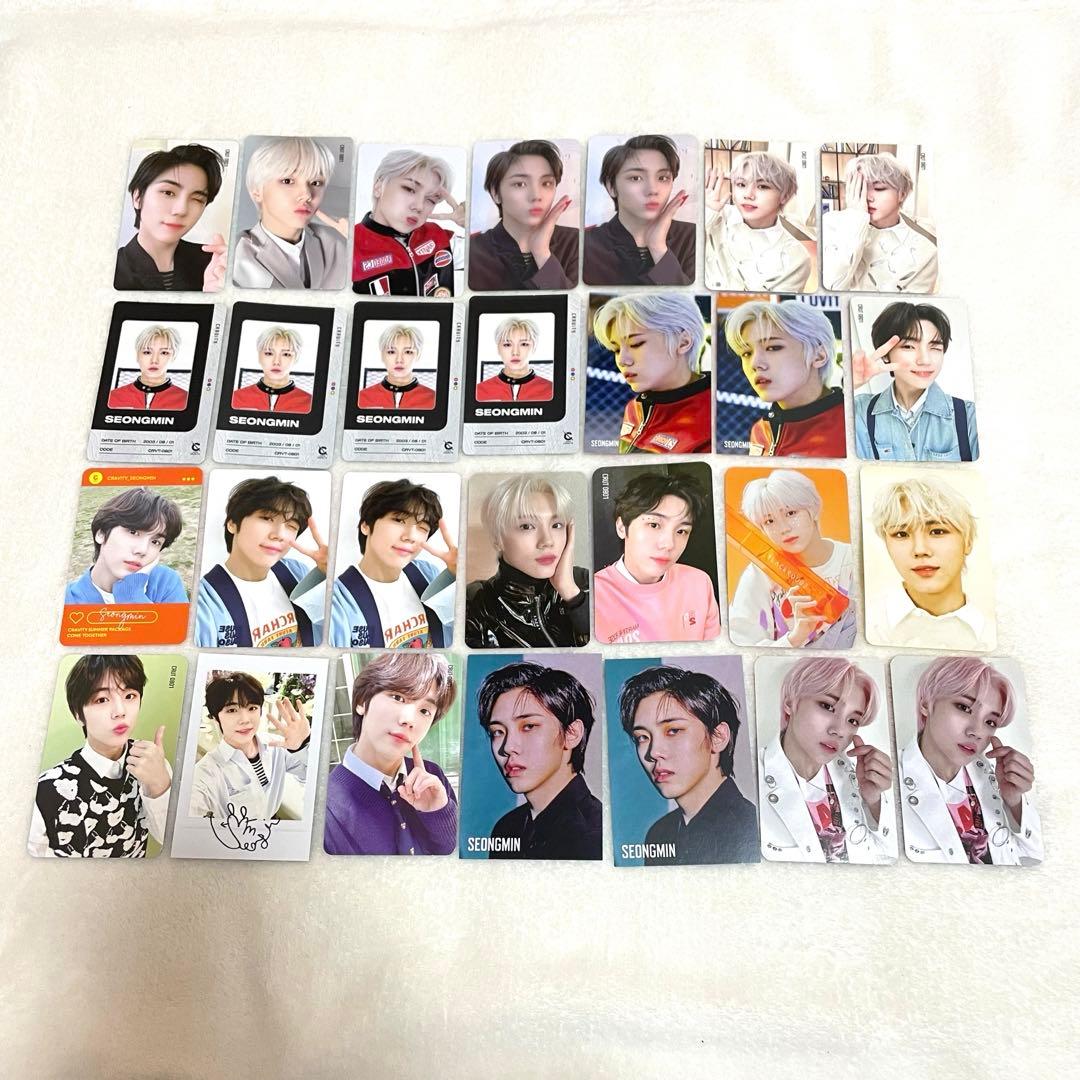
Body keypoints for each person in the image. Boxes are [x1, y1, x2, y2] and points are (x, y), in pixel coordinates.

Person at [899, 657, 1041, 865]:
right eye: (964, 708)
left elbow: (1033, 860)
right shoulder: (888, 776)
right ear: (926, 704)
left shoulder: (995, 776)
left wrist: (1015, 802)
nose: (976, 731)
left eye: (990, 721)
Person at [29, 655, 172, 857]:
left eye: (129, 696)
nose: (120, 711)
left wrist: (160, 786)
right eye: (102, 699)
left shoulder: (151, 762)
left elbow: (170, 839)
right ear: (78, 714)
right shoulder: (45, 791)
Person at [618, 665, 759, 864]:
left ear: (718, 737)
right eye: (642, 737)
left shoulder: (751, 828)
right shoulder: (659, 834)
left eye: (673, 731)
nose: (653, 752)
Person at [759, 658, 895, 863]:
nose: (839, 730)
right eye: (827, 706)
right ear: (790, 703)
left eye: (853, 720)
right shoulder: (752, 777)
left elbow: (887, 860)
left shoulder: (856, 776)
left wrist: (874, 801)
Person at [324, 653, 459, 856]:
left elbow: (452, 852)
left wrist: (438, 813)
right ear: (362, 701)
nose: (409, 719)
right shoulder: (327, 809)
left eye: (425, 711)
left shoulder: (432, 777)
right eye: (398, 697)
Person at [477, 661, 602, 860]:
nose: (507, 747)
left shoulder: (593, 835)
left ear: (571, 733)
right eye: (498, 732)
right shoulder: (507, 828)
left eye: (528, 726)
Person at [195, 475, 326, 648]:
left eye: (291, 525)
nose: (279, 534)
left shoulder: (298, 573)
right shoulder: (203, 602)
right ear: (232, 524)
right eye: (266, 518)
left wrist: (328, 575)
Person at [729, 469, 855, 648]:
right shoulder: (760, 574)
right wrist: (795, 638)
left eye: (791, 513)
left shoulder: (852, 560)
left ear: (813, 509)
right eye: (769, 521)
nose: (784, 528)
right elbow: (743, 645)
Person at [867, 475, 992, 649]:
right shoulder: (868, 623)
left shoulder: (990, 633)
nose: (920, 550)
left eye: (937, 531)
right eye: (901, 534)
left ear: (968, 541)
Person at [329, 478, 457, 649]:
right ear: (366, 525)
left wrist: (457, 576)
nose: (410, 536)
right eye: (399, 520)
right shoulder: (337, 601)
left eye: (422, 527)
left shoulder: (428, 575)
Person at [593, 472, 720, 644]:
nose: (668, 544)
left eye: (681, 531)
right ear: (622, 527)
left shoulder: (699, 582)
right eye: (654, 525)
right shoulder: (594, 596)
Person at [465, 475, 590, 648]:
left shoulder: (586, 582)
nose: (547, 541)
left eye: (556, 525)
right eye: (527, 526)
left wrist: (572, 595)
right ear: (497, 538)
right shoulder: (476, 602)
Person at [853, 301, 978, 461]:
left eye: (935, 348)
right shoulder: (860, 411)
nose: (925, 360)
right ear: (885, 354)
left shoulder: (969, 416)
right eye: (909, 347)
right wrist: (851, 383)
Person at [723, 299, 845, 457]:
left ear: (819, 355)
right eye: (746, 353)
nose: (755, 363)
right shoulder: (760, 430)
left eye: (773, 347)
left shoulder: (853, 423)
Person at [592, 292, 711, 453]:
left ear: (683, 342)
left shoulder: (711, 423)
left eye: (636, 344)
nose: (622, 360)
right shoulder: (634, 409)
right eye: (616, 349)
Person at [189, 671, 311, 821]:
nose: (245, 720)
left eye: (252, 708)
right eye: (232, 710)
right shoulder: (206, 772)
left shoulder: (276, 746)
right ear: (215, 718)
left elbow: (311, 775)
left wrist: (302, 745)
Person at [232, 136, 349, 290]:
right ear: (257, 191)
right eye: (288, 181)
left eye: (316, 183)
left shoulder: (338, 243)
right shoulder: (234, 254)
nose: (307, 195)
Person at [114, 142, 227, 292]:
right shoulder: (111, 270)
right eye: (168, 193)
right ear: (138, 197)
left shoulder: (213, 264)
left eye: (197, 199)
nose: (181, 210)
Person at [583, 134, 694, 286]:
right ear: (611, 186)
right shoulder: (587, 244)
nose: (653, 190)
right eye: (636, 178)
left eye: (663, 178)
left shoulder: (692, 237)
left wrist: (659, 249)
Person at [469, 139, 578, 290]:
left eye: (546, 183)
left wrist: (542, 253)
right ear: (496, 193)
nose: (536, 196)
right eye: (520, 184)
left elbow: (576, 304)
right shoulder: (473, 251)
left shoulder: (576, 243)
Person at [822, 152, 938, 293]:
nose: (867, 197)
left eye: (879, 189)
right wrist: (856, 219)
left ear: (902, 194)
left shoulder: (924, 248)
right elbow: (832, 288)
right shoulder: (831, 223)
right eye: (860, 188)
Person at [352, 149, 463, 296]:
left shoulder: (441, 238)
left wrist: (471, 222)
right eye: (410, 189)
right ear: (378, 187)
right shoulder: (346, 248)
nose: (419, 206)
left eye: (431, 199)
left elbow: (492, 257)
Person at [704, 150, 812, 291]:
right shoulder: (714, 218)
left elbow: (762, 303)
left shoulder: (797, 258)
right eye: (741, 184)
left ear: (785, 195)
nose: (748, 195)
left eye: (762, 186)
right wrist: (707, 213)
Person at [65, 487, 186, 605]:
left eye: (155, 542)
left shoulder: (165, 583)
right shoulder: (65, 600)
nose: (142, 550)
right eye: (133, 532)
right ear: (101, 534)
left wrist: (131, 594)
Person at [230, 326, 313, 414]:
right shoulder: (235, 398)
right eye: (269, 353)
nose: (276, 362)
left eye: (286, 354)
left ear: (296, 358)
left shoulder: (311, 403)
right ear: (259, 357)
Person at [107, 325, 189, 411]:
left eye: (164, 353)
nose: (154, 360)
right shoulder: (112, 397)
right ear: (137, 356)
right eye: (147, 352)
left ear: (173, 357)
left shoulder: (187, 401)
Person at [356, 324, 436, 410]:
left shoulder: (434, 399)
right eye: (391, 352)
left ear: (418, 355)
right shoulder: (361, 397)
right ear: (382, 355)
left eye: (408, 352)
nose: (399, 360)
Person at [474, 317, 553, 402]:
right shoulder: (478, 391)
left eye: (524, 344)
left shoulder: (552, 390)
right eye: (507, 345)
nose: (515, 352)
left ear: (534, 348)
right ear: (498, 349)